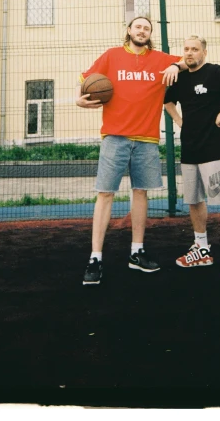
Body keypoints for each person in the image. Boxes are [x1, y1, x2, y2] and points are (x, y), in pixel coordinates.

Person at [76, 16, 186, 285]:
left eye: (147, 28)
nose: (142, 31)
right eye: (138, 26)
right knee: (105, 194)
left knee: (141, 194)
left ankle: (137, 252)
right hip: (114, 137)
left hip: (147, 138)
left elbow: (188, 60)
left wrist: (174, 64)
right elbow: (88, 81)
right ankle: (95, 257)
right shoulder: (112, 56)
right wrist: (79, 99)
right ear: (129, 31)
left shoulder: (159, 59)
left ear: (150, 34)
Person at [164, 35, 220, 285]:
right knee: (194, 199)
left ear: (204, 52)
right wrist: (181, 122)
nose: (190, 53)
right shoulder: (180, 77)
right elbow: (168, 102)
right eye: (186, 49)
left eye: (195, 49)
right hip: (190, 149)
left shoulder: (216, 73)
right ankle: (202, 249)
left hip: (214, 147)